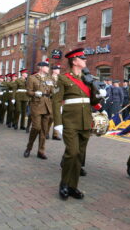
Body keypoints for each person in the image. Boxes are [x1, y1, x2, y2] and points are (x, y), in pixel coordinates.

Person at [52, 48, 105, 200]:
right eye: (82, 58)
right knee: (72, 152)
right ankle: (64, 183)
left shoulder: (88, 79)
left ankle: (73, 186)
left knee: (79, 156)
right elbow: (56, 101)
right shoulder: (63, 79)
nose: (85, 60)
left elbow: (91, 101)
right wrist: (58, 123)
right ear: (74, 61)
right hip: (69, 121)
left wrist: (100, 95)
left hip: (85, 121)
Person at [23, 60, 53, 159]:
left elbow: (53, 90)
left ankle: (41, 151)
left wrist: (59, 90)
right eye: (46, 66)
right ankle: (29, 147)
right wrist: (35, 93)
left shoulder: (50, 78)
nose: (48, 68)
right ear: (40, 67)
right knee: (36, 127)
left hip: (47, 105)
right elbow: (28, 91)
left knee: (44, 130)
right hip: (36, 105)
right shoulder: (32, 78)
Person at [47, 64, 62, 140]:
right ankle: (46, 132)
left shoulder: (60, 79)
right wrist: (58, 90)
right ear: (53, 70)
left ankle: (55, 134)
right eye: (57, 69)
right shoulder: (49, 78)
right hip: (51, 99)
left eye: (59, 69)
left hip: (59, 100)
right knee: (50, 117)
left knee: (57, 117)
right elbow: (50, 89)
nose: (59, 70)